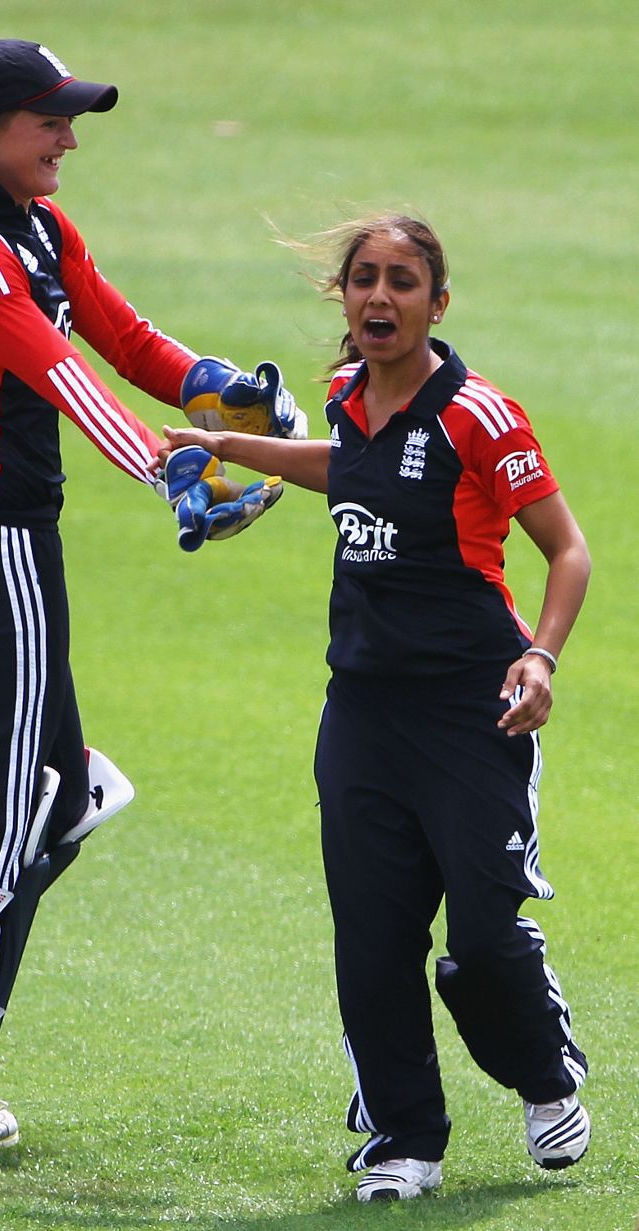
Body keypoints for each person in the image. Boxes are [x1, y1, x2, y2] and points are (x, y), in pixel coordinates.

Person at [0, 37, 298, 1151]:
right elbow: (59, 369)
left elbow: (118, 333)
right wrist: (165, 466)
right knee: (7, 821)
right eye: (51, 122)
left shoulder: (38, 227)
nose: (70, 138)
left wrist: (206, 382)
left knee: (67, 794)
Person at [159, 213, 592, 1201]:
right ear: (344, 299)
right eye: (364, 279)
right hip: (360, 713)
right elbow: (343, 471)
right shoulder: (347, 401)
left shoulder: (479, 415)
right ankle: (405, 1139)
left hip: (474, 711)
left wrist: (541, 657)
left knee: (481, 941)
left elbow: (567, 548)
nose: (380, 296)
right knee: (373, 935)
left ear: (437, 305)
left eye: (403, 281)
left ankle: (541, 1073)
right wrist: (229, 444)